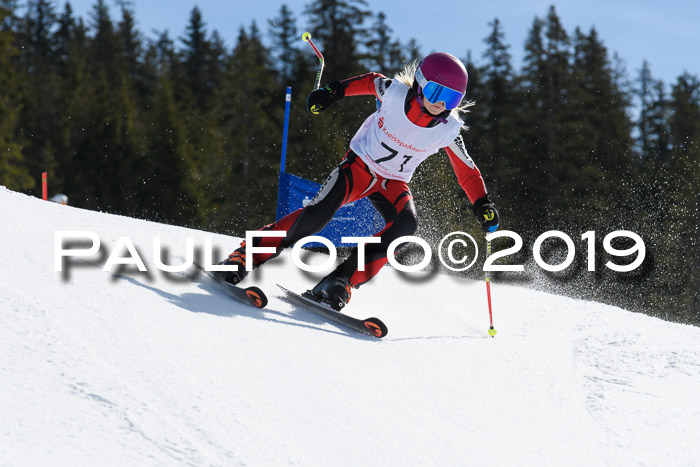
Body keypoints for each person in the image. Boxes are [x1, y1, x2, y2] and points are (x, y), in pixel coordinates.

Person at [216, 52, 500, 311]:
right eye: (437, 92)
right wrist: (334, 92)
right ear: (420, 84)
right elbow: (370, 81)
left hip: (394, 183)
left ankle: (340, 282)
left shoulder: (449, 130)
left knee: (406, 225)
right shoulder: (395, 94)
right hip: (359, 168)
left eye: (451, 99)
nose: (440, 103)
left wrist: (482, 203)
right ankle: (244, 257)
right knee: (315, 217)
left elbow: (467, 172)